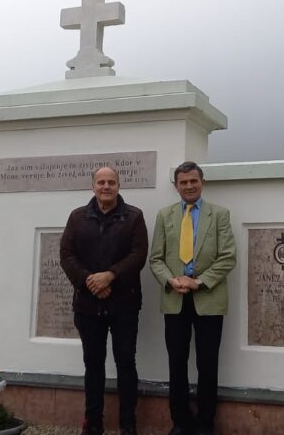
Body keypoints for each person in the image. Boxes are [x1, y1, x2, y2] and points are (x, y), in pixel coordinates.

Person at [149, 161, 237, 435]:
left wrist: (199, 281)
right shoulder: (165, 215)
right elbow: (156, 259)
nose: (188, 186)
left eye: (193, 181)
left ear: (202, 182)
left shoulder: (219, 214)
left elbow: (227, 257)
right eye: (183, 182)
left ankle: (205, 423)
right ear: (176, 186)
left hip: (208, 298)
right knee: (176, 363)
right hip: (175, 299)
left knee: (207, 364)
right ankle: (181, 421)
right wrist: (171, 280)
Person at [60, 166, 149, 435]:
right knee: (93, 365)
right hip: (88, 305)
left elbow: (138, 255)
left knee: (125, 363)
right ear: (93, 186)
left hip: (124, 304)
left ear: (119, 186)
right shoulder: (77, 218)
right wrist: (91, 281)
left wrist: (110, 276)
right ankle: (93, 422)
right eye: (101, 182)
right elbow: (66, 255)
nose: (106, 186)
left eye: (111, 182)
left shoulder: (134, 217)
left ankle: (128, 423)